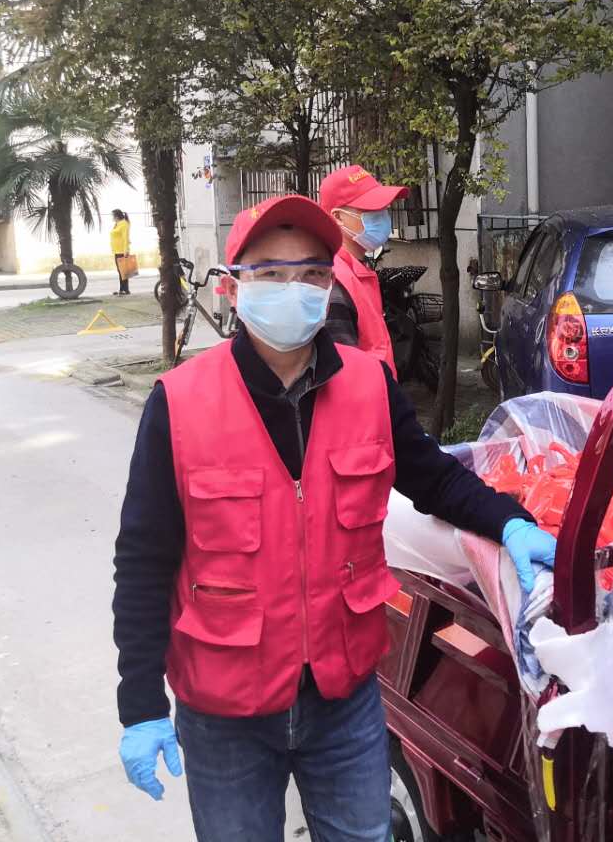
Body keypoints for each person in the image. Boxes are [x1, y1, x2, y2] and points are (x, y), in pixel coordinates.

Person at [112, 194, 556, 842]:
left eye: (312, 273)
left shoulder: (368, 386)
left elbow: (433, 478)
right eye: (271, 273)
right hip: (225, 709)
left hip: (343, 698)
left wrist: (510, 523)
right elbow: (143, 560)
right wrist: (141, 703)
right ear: (233, 287)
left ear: (329, 286)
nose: (293, 288)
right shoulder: (180, 404)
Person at [319, 165, 408, 375]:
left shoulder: (355, 270)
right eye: (371, 211)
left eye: (383, 209)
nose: (383, 217)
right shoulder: (335, 282)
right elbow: (342, 375)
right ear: (338, 217)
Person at [111, 209, 132, 295]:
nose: (112, 217)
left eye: (113, 216)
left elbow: (125, 237)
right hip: (117, 251)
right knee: (120, 271)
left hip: (122, 251)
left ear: (116, 216)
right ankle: (122, 289)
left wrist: (126, 250)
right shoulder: (117, 224)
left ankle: (125, 290)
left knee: (123, 271)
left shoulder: (124, 224)